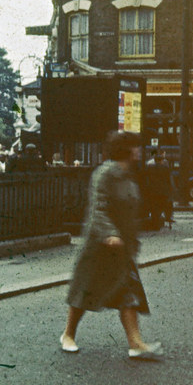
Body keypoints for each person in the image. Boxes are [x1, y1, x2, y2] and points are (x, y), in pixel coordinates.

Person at [60, 130, 163, 360]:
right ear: (125, 150)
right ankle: (68, 334)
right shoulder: (105, 173)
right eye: (136, 147)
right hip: (100, 245)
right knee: (84, 291)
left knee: (128, 293)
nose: (139, 151)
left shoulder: (128, 175)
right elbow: (98, 207)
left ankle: (135, 343)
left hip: (122, 248)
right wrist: (109, 234)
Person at [142, 149, 174, 230]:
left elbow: (146, 178)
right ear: (161, 161)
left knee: (154, 207)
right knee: (162, 206)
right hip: (163, 191)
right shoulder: (165, 168)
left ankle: (155, 224)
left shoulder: (149, 167)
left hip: (152, 190)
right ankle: (165, 220)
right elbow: (168, 180)